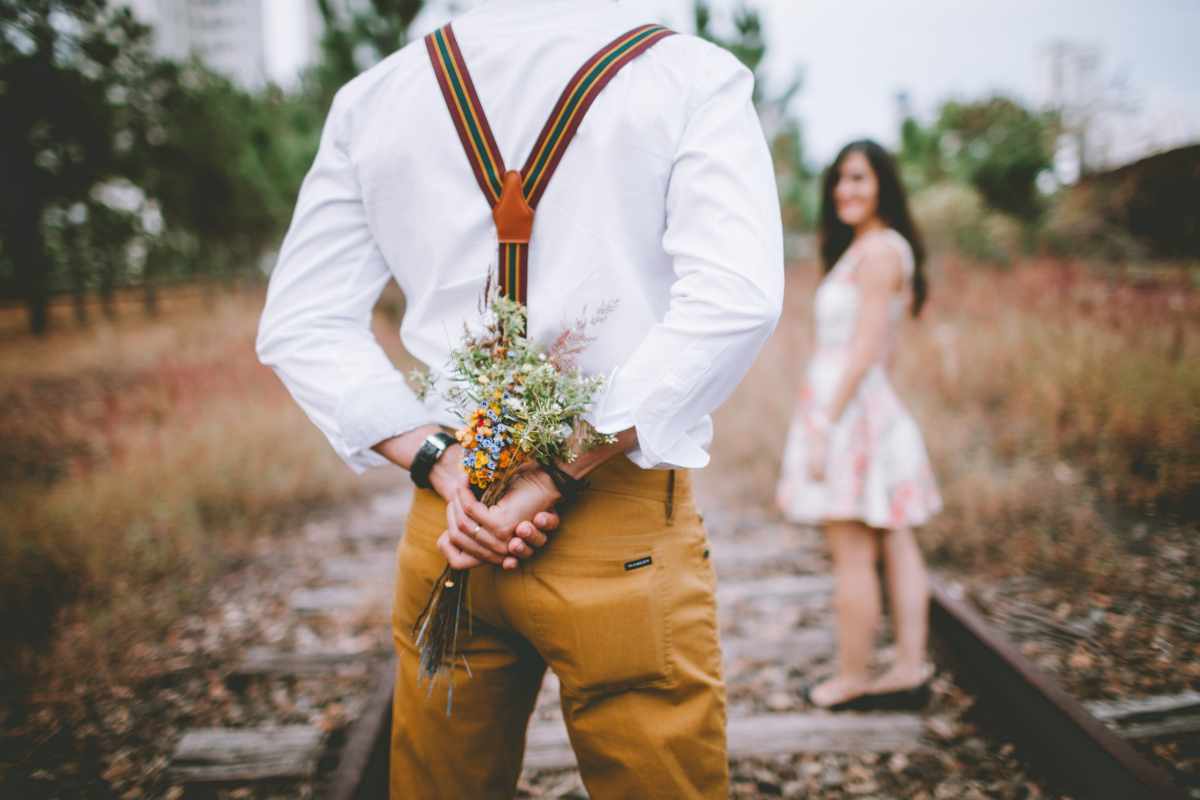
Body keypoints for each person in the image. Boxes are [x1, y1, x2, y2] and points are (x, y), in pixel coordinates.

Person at [255, 0, 784, 796]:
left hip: (453, 525)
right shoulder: (688, 74)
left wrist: (442, 461)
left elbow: (301, 321)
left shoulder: (375, 98)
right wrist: (553, 472)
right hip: (615, 516)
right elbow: (735, 300)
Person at [775, 139, 942, 712]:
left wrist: (826, 422)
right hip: (865, 405)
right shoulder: (876, 249)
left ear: (882, 186)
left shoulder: (877, 253)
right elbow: (883, 348)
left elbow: (868, 344)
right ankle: (906, 667)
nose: (845, 191)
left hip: (848, 411)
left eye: (858, 179)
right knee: (894, 538)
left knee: (852, 550)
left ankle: (852, 678)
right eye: (840, 181)